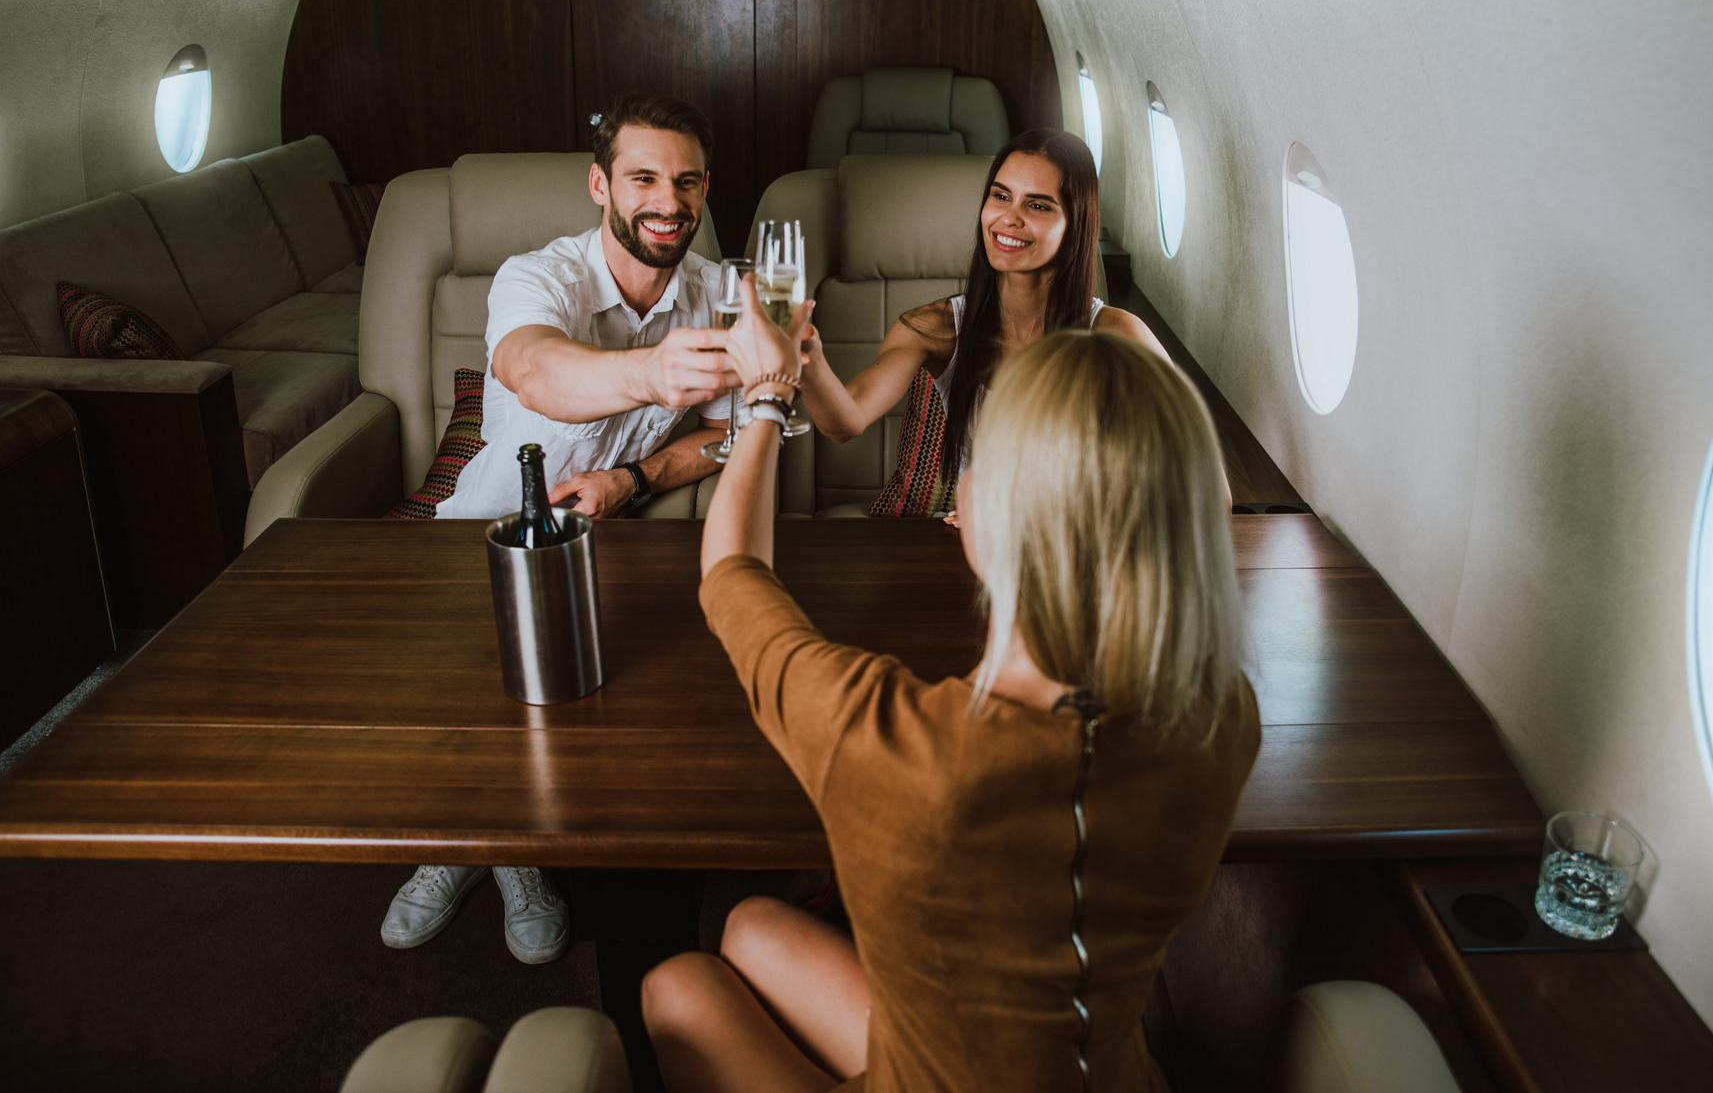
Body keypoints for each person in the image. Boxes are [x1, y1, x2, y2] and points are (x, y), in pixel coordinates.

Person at [641, 276, 1261, 1091]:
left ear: (987, 516)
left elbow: (730, 575)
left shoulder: (895, 743)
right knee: (754, 927)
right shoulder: (1222, 717)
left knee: (673, 986)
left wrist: (765, 399)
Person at [387, 93, 738, 965]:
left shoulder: (715, 294)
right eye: (644, 178)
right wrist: (654, 373)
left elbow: (732, 432)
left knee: (587, 715)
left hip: (613, 536)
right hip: (481, 533)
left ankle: (528, 845)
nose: (668, 201)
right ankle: (479, 854)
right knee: (471, 708)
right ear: (600, 184)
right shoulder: (535, 275)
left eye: (686, 181)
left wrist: (637, 477)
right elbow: (534, 371)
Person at [797, 127, 1172, 498]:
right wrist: (808, 357)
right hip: (969, 542)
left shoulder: (1119, 334)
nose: (1009, 218)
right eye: (1001, 196)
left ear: (1075, 224)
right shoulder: (934, 328)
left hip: (1072, 550)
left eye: (1038, 205)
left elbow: (1210, 493)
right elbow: (845, 421)